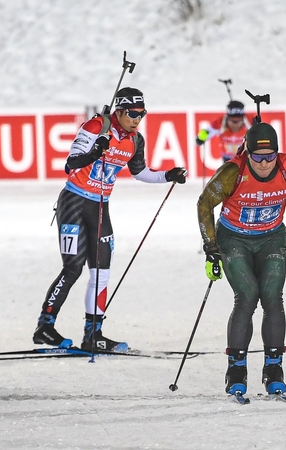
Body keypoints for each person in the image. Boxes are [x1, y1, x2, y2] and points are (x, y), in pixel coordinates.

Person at [33, 87, 187, 352]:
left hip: (100, 206)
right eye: (133, 113)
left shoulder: (135, 140)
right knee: (73, 267)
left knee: (102, 270)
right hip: (75, 202)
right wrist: (95, 152)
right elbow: (70, 165)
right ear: (119, 110)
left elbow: (140, 172)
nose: (138, 119)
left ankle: (93, 334)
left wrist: (168, 175)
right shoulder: (96, 126)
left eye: (142, 113)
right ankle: (45, 326)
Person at [197, 121, 286, 397]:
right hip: (234, 239)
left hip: (271, 238)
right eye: (257, 157)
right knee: (248, 295)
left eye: (270, 156)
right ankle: (237, 370)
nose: (265, 163)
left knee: (272, 296)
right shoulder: (233, 172)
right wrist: (211, 248)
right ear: (247, 154)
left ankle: (274, 369)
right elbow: (204, 202)